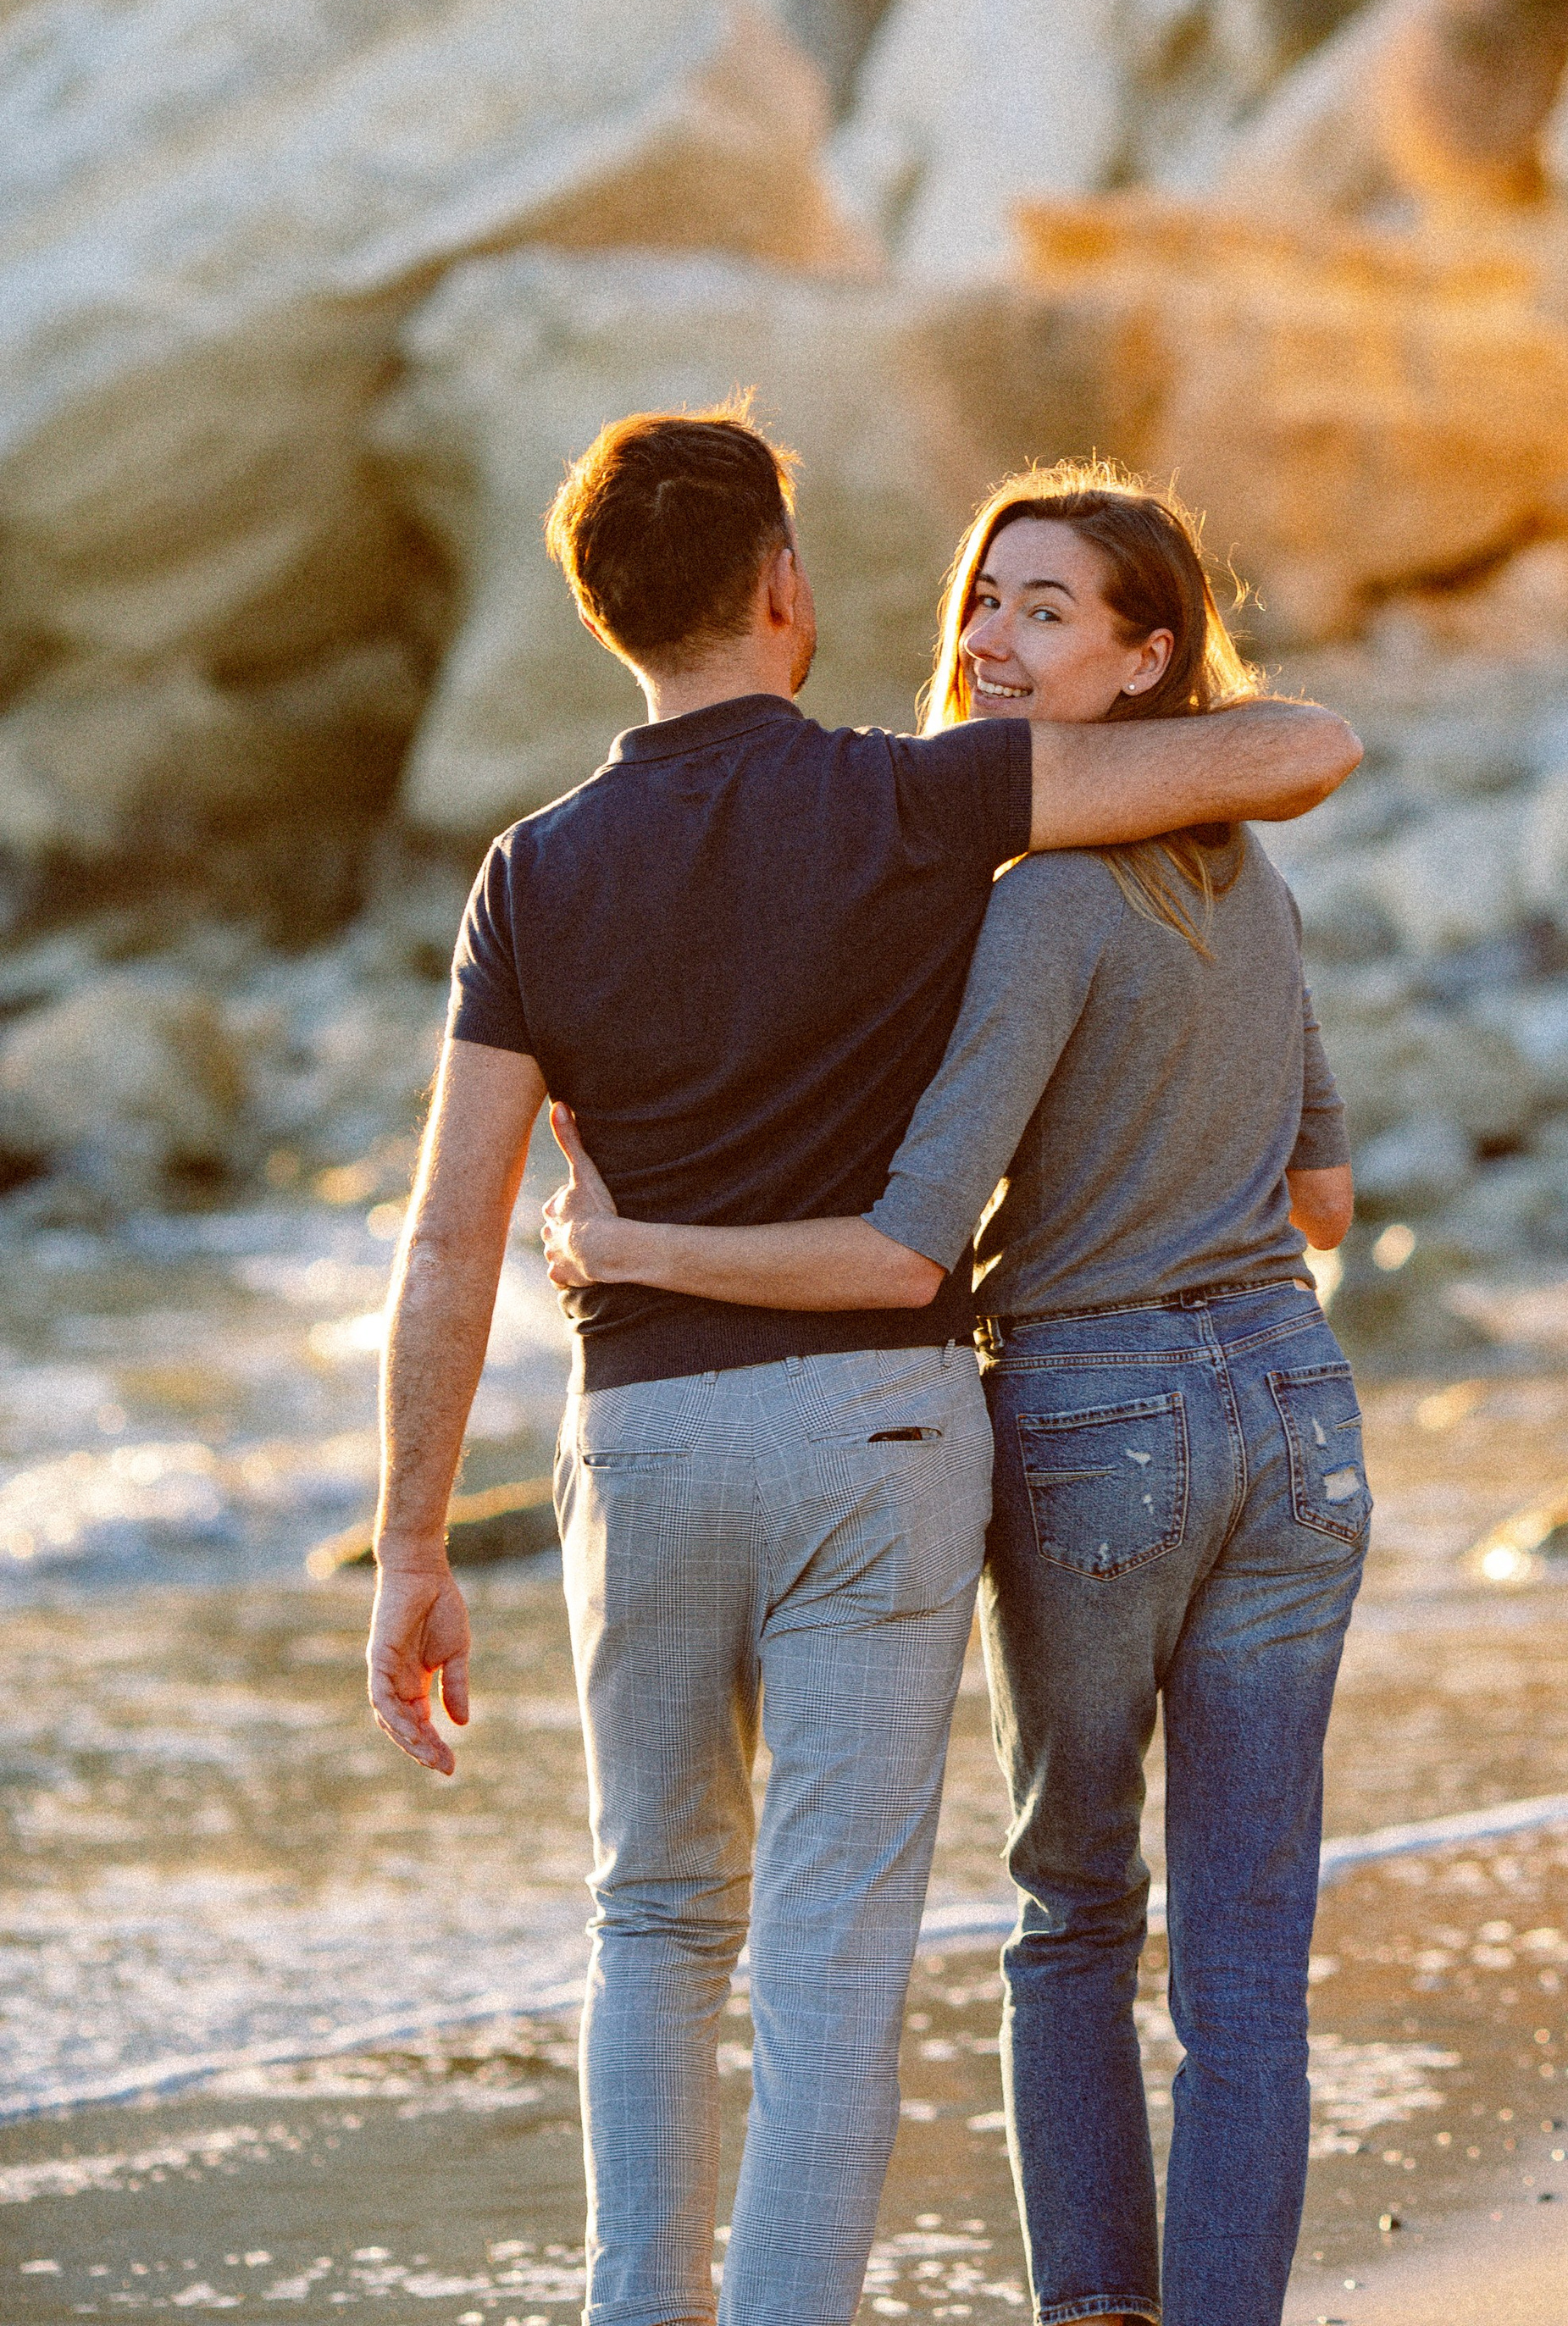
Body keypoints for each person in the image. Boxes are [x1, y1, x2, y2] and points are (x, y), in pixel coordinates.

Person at [364, 411, 1360, 2326]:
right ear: (783, 591)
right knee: (830, 1955)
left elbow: (445, 1235)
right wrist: (1126, 743)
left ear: (602, 618)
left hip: (645, 1434)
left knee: (651, 1925)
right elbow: (1296, 756)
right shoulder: (925, 805)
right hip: (894, 1426)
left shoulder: (530, 874)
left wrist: (412, 1539)